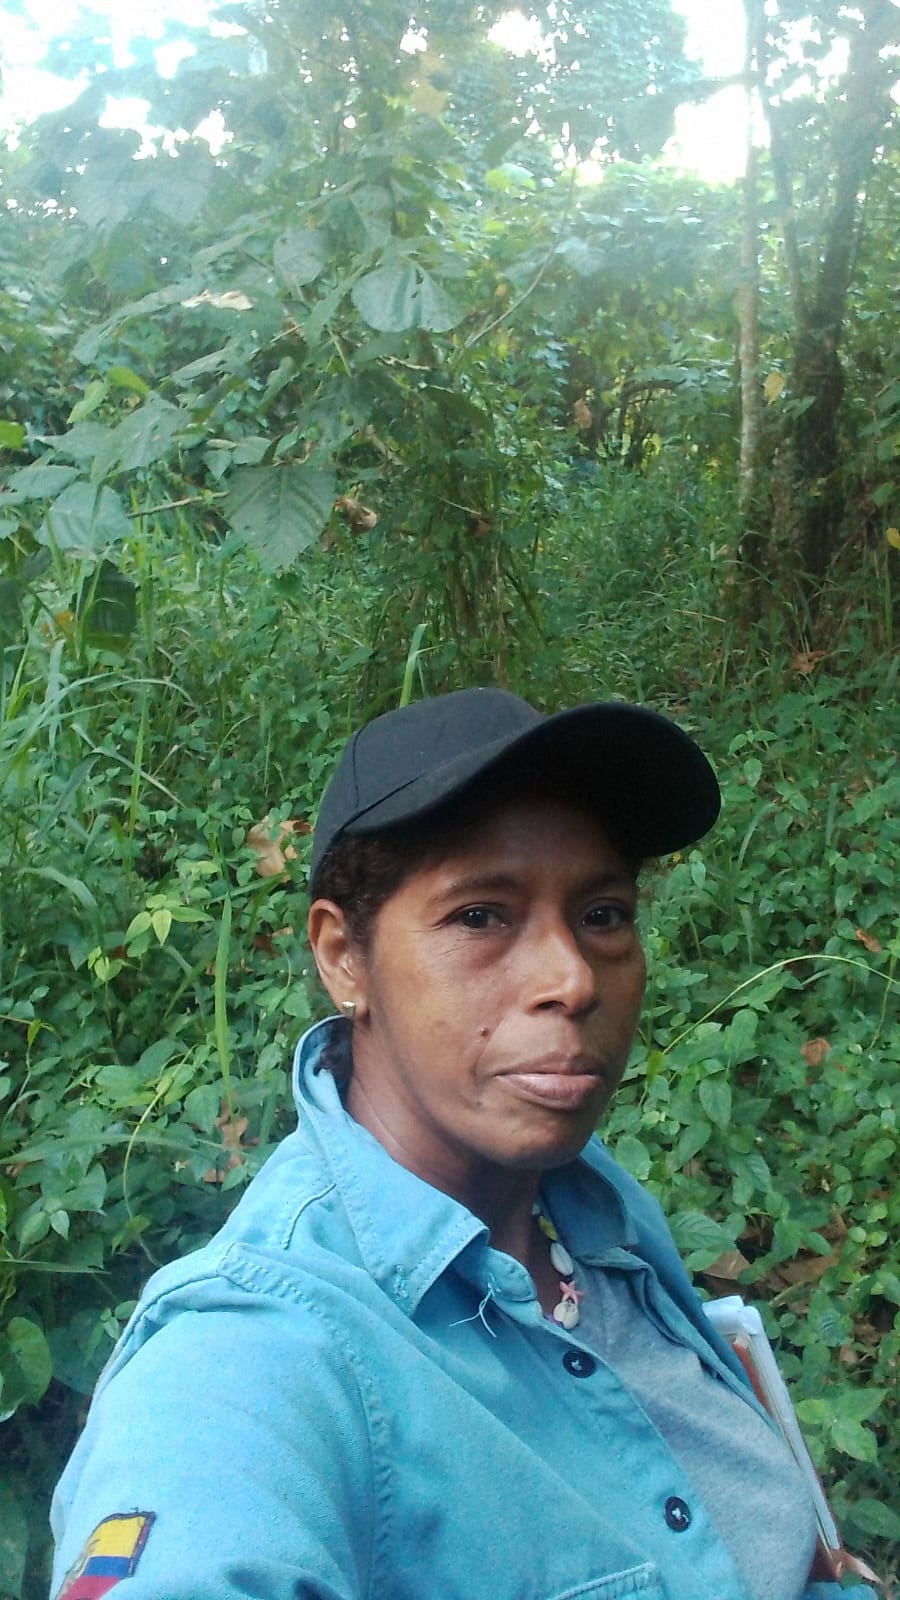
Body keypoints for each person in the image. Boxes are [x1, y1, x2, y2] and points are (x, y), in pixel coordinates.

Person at [50, 688, 872, 1600]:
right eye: (480, 916)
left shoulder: (584, 1200)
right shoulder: (253, 1352)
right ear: (343, 956)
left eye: (603, 914)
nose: (572, 978)